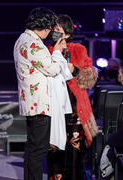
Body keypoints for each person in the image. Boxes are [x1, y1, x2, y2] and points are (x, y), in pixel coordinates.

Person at [13, 7, 72, 180]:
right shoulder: (32, 43)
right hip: (39, 103)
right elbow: (53, 69)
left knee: (32, 149)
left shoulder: (24, 39)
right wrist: (56, 51)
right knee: (38, 151)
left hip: (33, 102)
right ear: (45, 27)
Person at [47, 14, 98, 180]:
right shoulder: (47, 50)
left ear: (67, 33)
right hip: (54, 108)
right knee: (55, 154)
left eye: (58, 30)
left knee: (75, 155)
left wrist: (74, 69)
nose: (54, 32)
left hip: (76, 109)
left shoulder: (78, 49)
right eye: (53, 29)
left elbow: (90, 77)